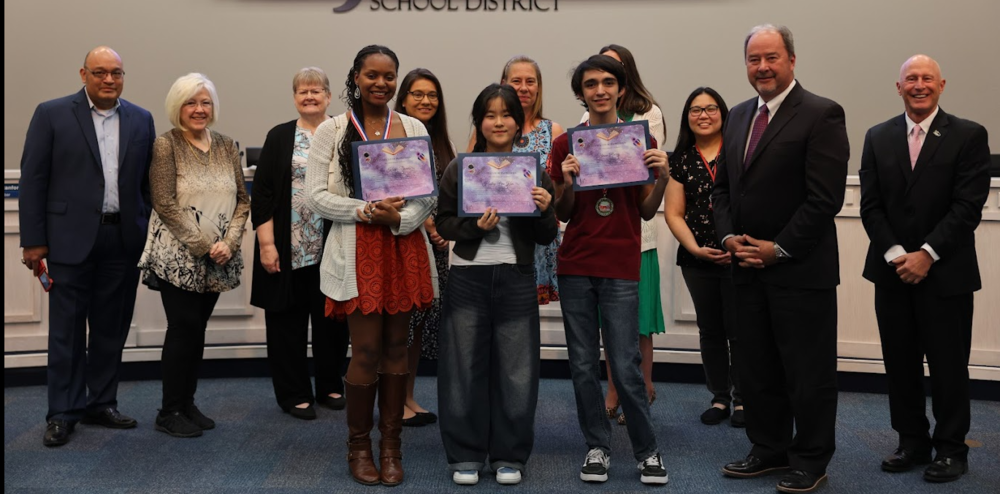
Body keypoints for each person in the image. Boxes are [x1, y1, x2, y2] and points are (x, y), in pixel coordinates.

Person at [712, 25, 848, 493]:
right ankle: (768, 449)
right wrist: (730, 238)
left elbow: (824, 199)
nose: (762, 68)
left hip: (799, 271)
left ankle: (810, 458)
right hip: (745, 270)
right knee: (756, 367)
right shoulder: (736, 117)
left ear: (791, 60)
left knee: (807, 372)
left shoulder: (821, 114)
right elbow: (724, 190)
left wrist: (778, 248)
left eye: (771, 58)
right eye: (754, 60)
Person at [305, 45, 437, 487]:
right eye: (372, 75)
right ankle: (359, 447)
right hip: (356, 249)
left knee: (398, 349)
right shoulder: (332, 130)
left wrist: (401, 218)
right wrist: (364, 211)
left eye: (389, 76)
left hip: (402, 247)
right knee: (364, 350)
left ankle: (391, 447)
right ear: (356, 78)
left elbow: (428, 193)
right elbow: (315, 197)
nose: (381, 83)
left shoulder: (414, 125)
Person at [859, 54, 991, 484]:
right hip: (892, 272)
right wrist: (898, 253)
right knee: (900, 363)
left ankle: (952, 449)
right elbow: (871, 205)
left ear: (942, 85)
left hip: (945, 273)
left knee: (949, 365)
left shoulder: (969, 135)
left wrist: (927, 254)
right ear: (898, 87)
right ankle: (911, 442)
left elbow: (967, 206)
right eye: (910, 79)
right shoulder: (877, 136)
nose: (919, 84)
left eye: (927, 78)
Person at [19, 46, 155, 447]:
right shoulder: (52, 114)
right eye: (99, 73)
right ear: (83, 74)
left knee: (111, 330)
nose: (109, 79)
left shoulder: (141, 119)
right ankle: (63, 412)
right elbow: (33, 180)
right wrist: (33, 241)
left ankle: (101, 403)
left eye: (116, 72)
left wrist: (143, 228)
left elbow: (145, 184)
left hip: (122, 239)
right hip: (67, 241)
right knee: (67, 332)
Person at [550, 54, 669, 486]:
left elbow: (646, 210)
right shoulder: (566, 144)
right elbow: (562, 214)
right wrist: (564, 183)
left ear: (620, 89)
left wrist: (662, 179)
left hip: (621, 265)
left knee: (625, 363)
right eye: (590, 84)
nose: (599, 90)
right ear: (581, 92)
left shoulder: (638, 139)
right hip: (576, 265)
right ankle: (596, 447)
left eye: (607, 82)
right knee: (583, 365)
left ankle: (647, 451)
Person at [436, 84, 558, 486]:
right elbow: (444, 224)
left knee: (517, 371)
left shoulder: (533, 169)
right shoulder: (461, 168)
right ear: (479, 122)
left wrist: (544, 209)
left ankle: (509, 455)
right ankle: (466, 455)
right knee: (462, 368)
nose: (499, 121)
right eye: (490, 115)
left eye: (506, 114)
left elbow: (544, 235)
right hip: (469, 277)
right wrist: (474, 227)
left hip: (517, 276)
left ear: (518, 123)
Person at [138, 73, 250, 438]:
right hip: (179, 255)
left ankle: (187, 402)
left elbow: (242, 200)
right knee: (182, 330)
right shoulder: (166, 145)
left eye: (205, 102)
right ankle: (169, 410)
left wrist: (229, 243)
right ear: (177, 107)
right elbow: (164, 203)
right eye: (191, 102)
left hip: (220, 255)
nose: (199, 109)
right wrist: (204, 245)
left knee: (197, 330)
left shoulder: (225, 145)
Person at [250, 67, 350, 421]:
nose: (309, 96)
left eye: (316, 90)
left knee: (333, 323)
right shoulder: (279, 137)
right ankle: (293, 393)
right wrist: (266, 244)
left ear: (327, 95)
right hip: (285, 247)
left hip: (333, 245)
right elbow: (261, 194)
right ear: (294, 97)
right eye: (302, 91)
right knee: (285, 325)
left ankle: (329, 386)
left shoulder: (343, 132)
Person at [579, 44, 666, 426]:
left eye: (611, 74)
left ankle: (642, 388)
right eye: (593, 78)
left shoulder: (648, 114)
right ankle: (614, 389)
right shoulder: (585, 118)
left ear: (623, 77)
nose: (601, 86)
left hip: (636, 232)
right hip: (599, 232)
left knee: (638, 321)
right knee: (607, 322)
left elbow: (645, 173)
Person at [664, 87, 744, 427]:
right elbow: (674, 213)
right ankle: (720, 397)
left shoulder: (740, 153)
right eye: (696, 110)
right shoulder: (679, 160)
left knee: (741, 330)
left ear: (723, 114)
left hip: (740, 256)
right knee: (710, 330)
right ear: (687, 118)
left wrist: (737, 245)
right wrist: (696, 249)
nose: (704, 115)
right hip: (697, 259)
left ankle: (744, 399)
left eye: (711, 108)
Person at [469, 56, 565, 304]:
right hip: (492, 236)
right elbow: (468, 180)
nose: (523, 87)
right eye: (516, 81)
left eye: (530, 81)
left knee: (525, 316)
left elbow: (560, 189)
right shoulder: (485, 129)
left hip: (536, 235)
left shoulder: (553, 130)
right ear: (503, 84)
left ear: (539, 87)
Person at [393, 68, 456, 427]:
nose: (426, 101)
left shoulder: (441, 143)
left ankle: (408, 396)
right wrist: (426, 221)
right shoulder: (395, 141)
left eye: (432, 95)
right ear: (403, 99)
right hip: (405, 243)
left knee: (419, 328)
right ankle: (393, 402)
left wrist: (445, 226)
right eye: (418, 94)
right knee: (401, 328)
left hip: (439, 250)